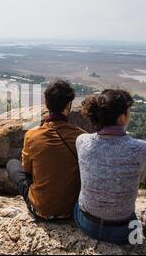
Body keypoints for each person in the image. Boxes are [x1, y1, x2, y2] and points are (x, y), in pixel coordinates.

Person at [74, 89, 146, 244]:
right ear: (122, 117)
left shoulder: (82, 141)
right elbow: (140, 179)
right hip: (121, 230)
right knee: (135, 223)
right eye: (128, 112)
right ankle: (137, 237)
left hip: (87, 223)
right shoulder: (141, 149)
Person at [6, 80, 86, 220]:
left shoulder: (32, 135)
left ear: (47, 104)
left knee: (12, 164)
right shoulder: (82, 137)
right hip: (71, 210)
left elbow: (27, 170)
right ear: (68, 106)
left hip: (41, 210)